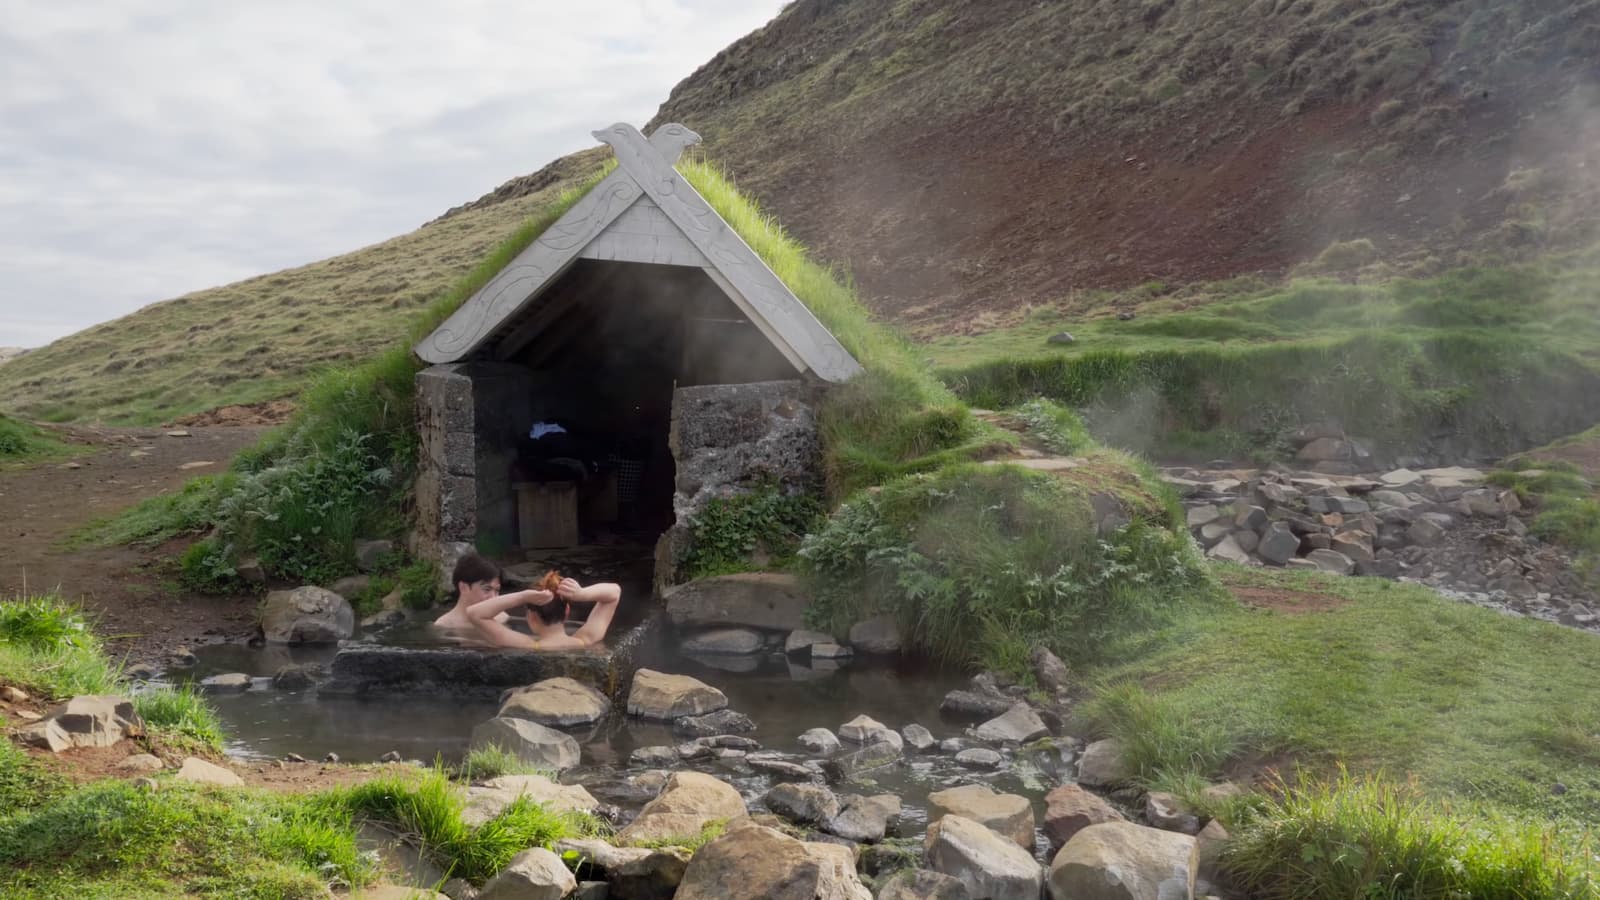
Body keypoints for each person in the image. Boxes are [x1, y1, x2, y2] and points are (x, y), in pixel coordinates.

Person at [466, 575, 622, 650]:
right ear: (567, 611)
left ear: (531, 617)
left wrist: (523, 596)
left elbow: (474, 613)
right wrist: (581, 594)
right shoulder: (586, 640)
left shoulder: (526, 646)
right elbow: (614, 591)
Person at [433, 553, 511, 630]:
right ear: (463, 588)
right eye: (487, 589)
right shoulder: (443, 627)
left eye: (497, 590)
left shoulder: (502, 618)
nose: (494, 597)